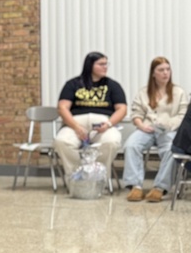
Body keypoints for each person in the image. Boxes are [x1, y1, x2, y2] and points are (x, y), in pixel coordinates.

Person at [54, 52, 127, 186]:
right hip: (75, 124)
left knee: (112, 142)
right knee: (61, 141)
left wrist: (109, 124)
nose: (105, 67)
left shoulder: (112, 85)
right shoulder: (73, 84)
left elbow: (122, 109)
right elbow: (62, 108)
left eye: (106, 64)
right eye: (101, 64)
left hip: (103, 125)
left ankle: (98, 178)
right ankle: (77, 177)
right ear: (90, 65)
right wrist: (76, 127)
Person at [122, 56, 188, 202]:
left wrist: (168, 125)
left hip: (169, 130)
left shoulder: (178, 92)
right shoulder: (144, 92)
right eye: (161, 70)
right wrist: (141, 125)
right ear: (153, 73)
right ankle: (135, 187)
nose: (165, 73)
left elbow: (182, 115)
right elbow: (136, 113)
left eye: (168, 69)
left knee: (172, 150)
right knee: (131, 145)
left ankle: (160, 188)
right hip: (147, 128)